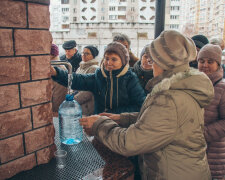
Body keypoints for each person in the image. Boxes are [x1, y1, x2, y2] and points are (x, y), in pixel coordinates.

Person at [80, 30, 214, 180]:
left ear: (163, 63)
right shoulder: (180, 87)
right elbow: (156, 121)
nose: (151, 66)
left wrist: (99, 124)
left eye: (153, 61)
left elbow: (129, 143)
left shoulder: (170, 98)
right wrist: (122, 118)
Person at [51, 42, 146, 114]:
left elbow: (140, 106)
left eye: (114, 59)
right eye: (106, 58)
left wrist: (111, 114)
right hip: (100, 125)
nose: (109, 63)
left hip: (122, 127)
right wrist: (56, 73)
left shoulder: (130, 79)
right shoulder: (99, 76)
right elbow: (77, 80)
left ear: (123, 61)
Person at [197, 44, 225, 180]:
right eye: (201, 61)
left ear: (218, 64)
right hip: (196, 150)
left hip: (215, 152)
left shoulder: (222, 87)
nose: (205, 65)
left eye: (210, 61)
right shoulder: (195, 85)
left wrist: (202, 134)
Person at [74, 45, 99, 116]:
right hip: (78, 103)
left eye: (87, 53)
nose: (83, 55)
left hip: (87, 105)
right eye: (83, 53)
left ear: (93, 56)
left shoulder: (94, 68)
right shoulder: (80, 67)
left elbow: (89, 90)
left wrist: (74, 99)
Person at [50, 44, 67, 113]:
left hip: (56, 104)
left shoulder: (53, 68)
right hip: (61, 103)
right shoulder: (61, 65)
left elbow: (58, 94)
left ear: (51, 55)